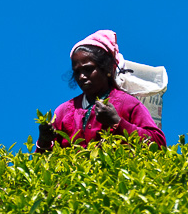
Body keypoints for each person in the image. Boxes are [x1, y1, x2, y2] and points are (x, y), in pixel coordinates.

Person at [36, 29, 166, 151]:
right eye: (77, 72)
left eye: (88, 69)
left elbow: (158, 145)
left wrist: (117, 122)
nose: (82, 76)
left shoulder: (128, 104)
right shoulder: (64, 112)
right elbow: (43, 166)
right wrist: (44, 142)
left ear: (107, 68)